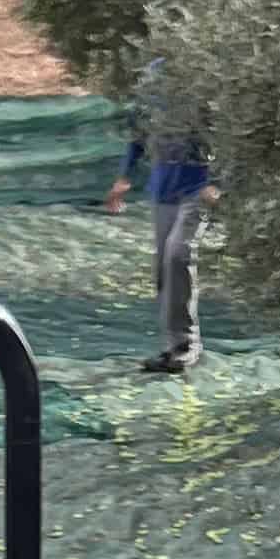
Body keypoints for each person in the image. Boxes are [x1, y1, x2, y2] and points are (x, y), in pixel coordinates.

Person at [105, 67, 216, 373]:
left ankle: (187, 345)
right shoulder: (153, 76)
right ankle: (172, 347)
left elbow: (236, 132)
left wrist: (219, 181)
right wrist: (124, 177)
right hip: (163, 189)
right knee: (163, 270)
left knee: (179, 254)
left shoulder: (207, 71)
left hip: (199, 188)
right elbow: (138, 134)